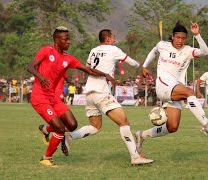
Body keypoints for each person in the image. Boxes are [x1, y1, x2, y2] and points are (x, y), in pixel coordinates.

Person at [62, 29, 154, 165]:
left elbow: (89, 67)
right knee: (124, 123)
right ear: (108, 39)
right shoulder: (113, 49)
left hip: (89, 93)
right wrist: (141, 66)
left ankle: (69, 137)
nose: (115, 40)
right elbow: (132, 62)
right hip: (101, 92)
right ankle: (135, 156)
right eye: (114, 37)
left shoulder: (93, 51)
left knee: (95, 127)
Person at [27, 26, 115, 167]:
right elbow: (30, 67)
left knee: (72, 125)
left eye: (69, 39)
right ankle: (46, 158)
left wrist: (105, 75)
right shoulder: (46, 51)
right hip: (40, 98)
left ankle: (46, 129)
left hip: (53, 98)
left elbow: (87, 69)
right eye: (65, 39)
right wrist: (40, 76)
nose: (68, 42)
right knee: (60, 129)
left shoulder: (68, 58)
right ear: (57, 40)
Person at [135, 21, 208, 155]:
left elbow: (205, 51)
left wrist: (197, 34)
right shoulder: (162, 45)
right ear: (172, 37)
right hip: (163, 86)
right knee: (189, 92)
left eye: (183, 38)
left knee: (172, 127)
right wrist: (145, 66)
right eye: (178, 37)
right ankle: (205, 123)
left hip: (175, 89)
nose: (180, 41)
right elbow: (153, 51)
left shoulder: (187, 51)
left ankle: (142, 135)